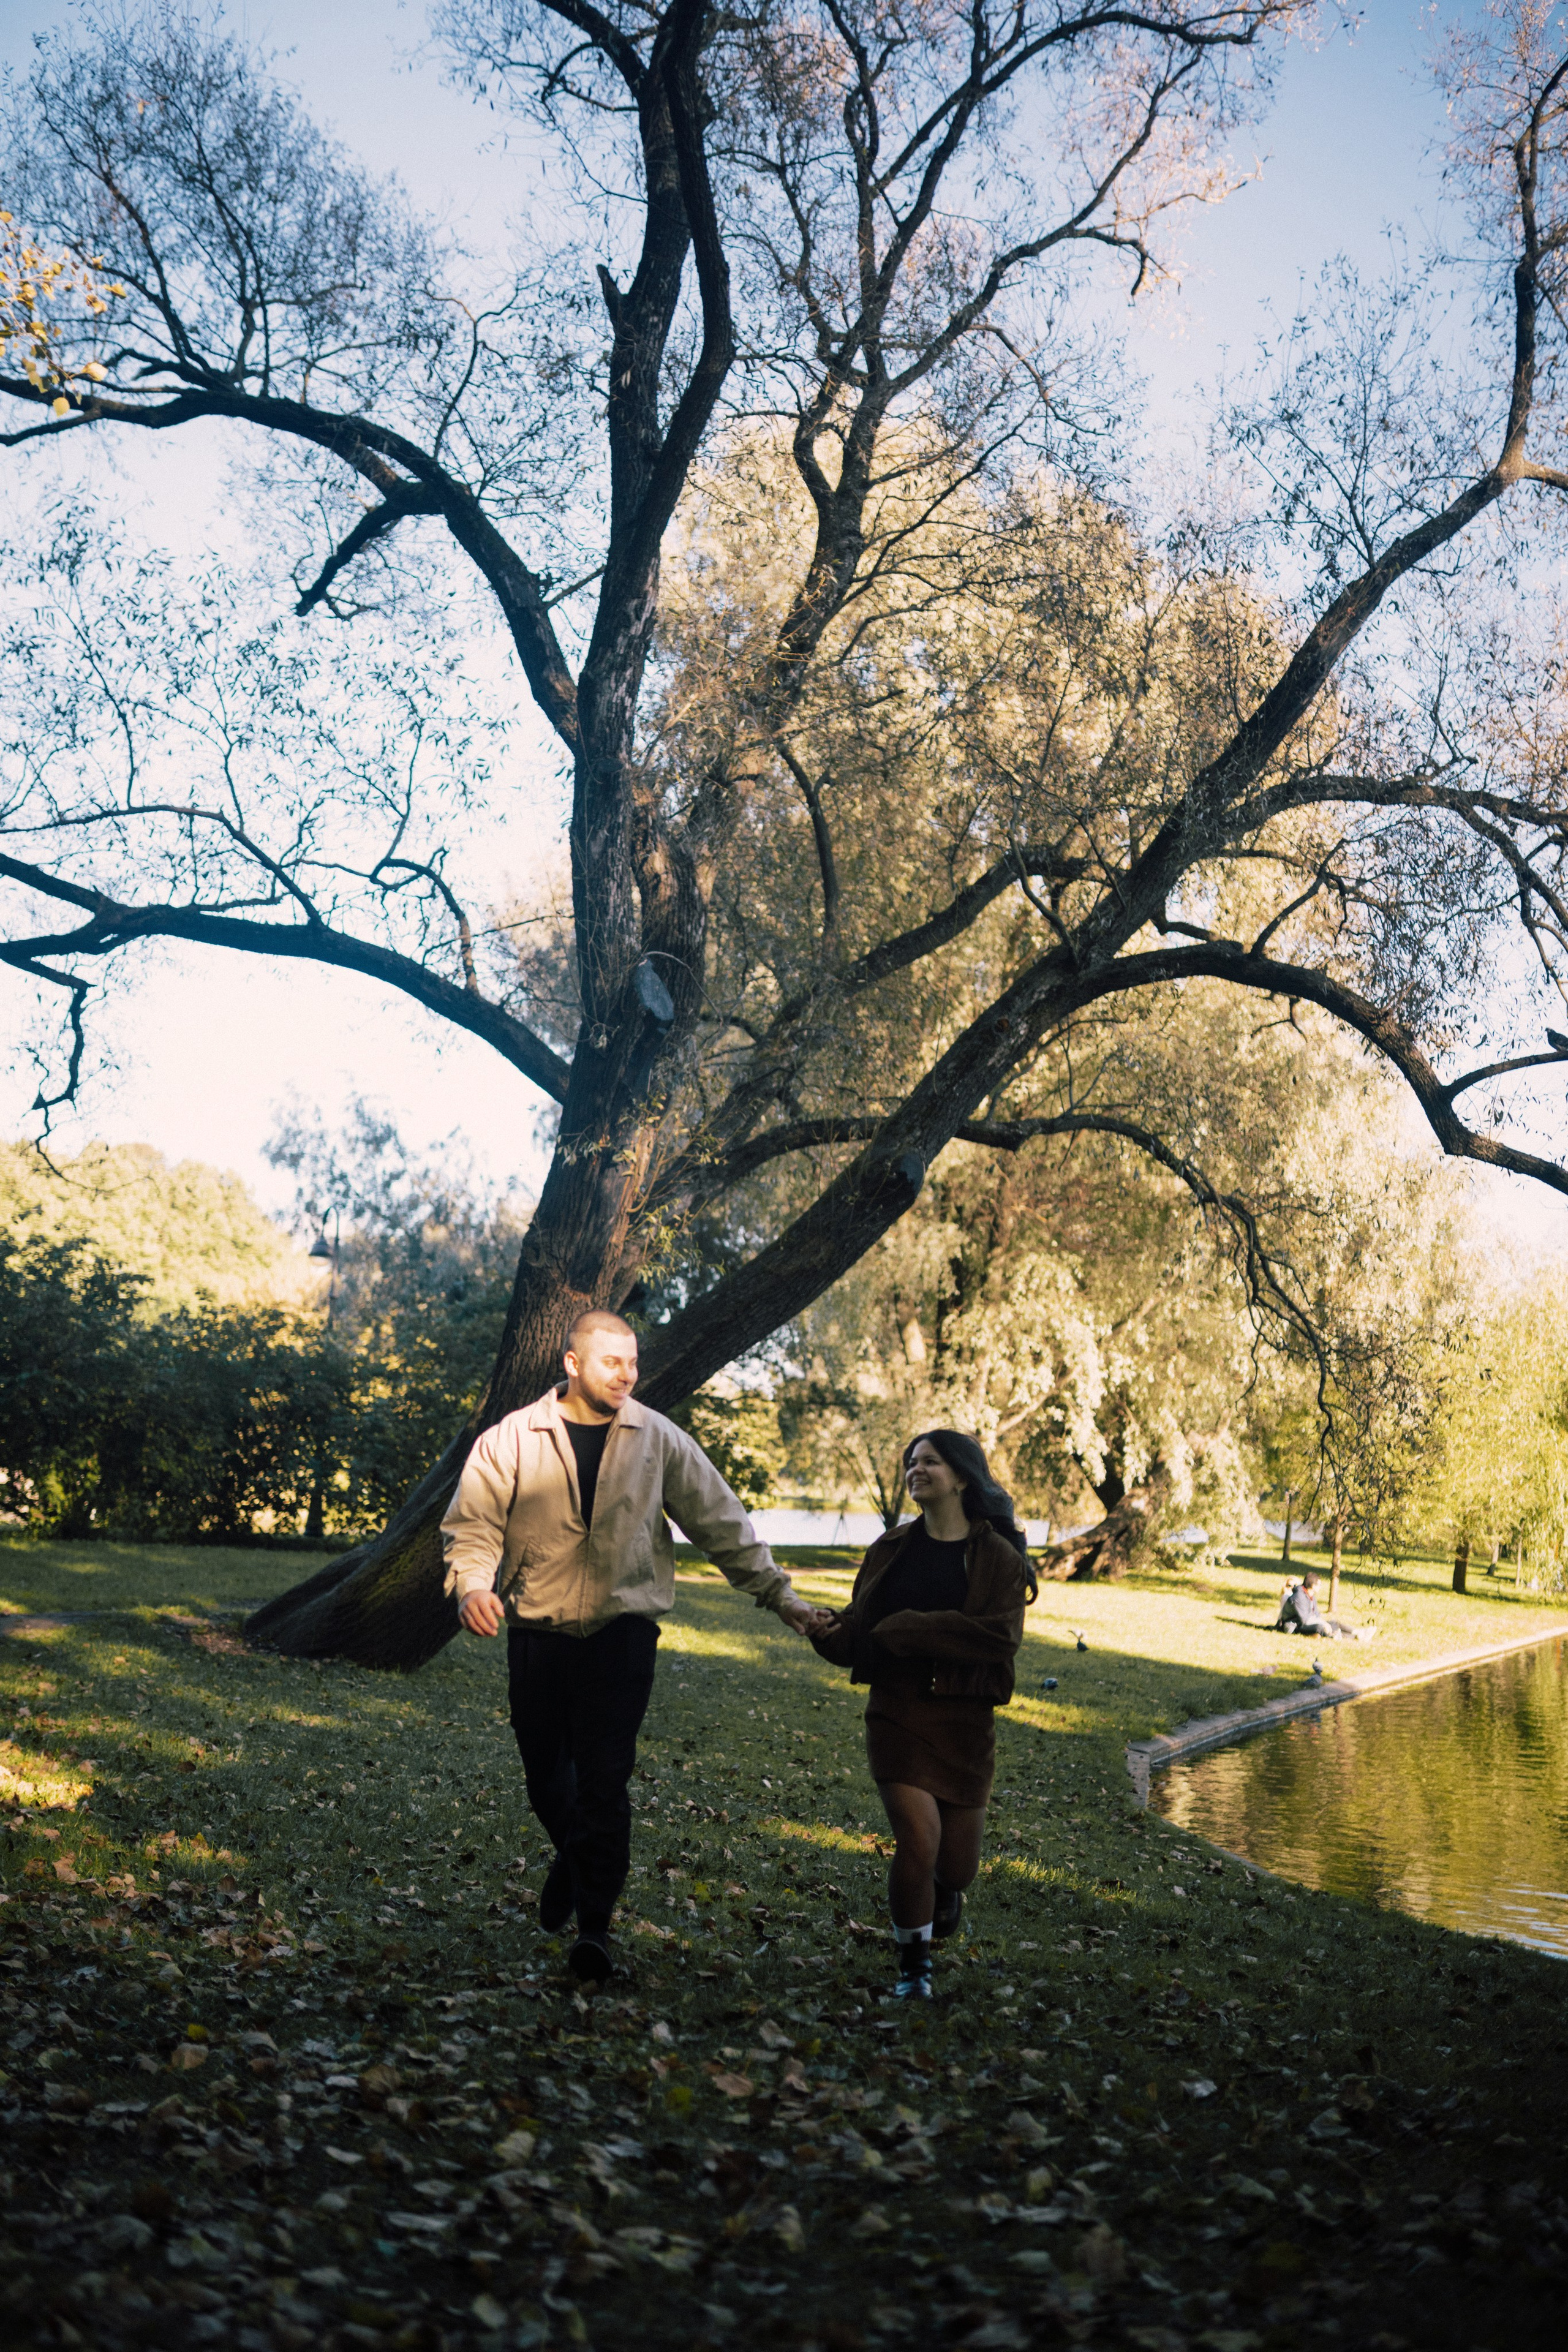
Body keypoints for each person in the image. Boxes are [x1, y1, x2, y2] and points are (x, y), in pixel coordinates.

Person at [442, 1310, 824, 1984]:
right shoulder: (513, 1438)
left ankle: (595, 1929)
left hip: (622, 1635)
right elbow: (472, 1524)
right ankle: (575, 1860)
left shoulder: (657, 1437)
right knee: (544, 1777)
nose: (628, 1374)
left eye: (633, 1363)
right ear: (572, 1363)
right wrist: (474, 1586)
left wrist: (779, 1596)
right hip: (538, 1630)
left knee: (604, 1779)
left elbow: (720, 1520)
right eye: (612, 1362)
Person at [810, 1430, 1033, 2000]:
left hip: (964, 1724)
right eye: (912, 1462)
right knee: (918, 1838)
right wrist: (827, 1634)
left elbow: (997, 1640)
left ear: (961, 1477)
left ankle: (945, 1893)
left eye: (930, 1461)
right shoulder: (891, 1549)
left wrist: (909, 1629)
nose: (917, 1469)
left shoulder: (997, 1558)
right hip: (897, 1714)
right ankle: (914, 1969)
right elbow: (864, 1637)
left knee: (956, 1868)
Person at [1275, 1570, 1366, 1640]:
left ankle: (1358, 1632)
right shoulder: (1298, 1597)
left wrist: (1326, 1623)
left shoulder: (1311, 1596)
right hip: (1294, 1627)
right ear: (1313, 1586)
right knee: (1321, 1628)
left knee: (1334, 1623)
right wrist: (1324, 1624)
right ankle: (1353, 1637)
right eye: (1319, 1585)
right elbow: (1305, 1620)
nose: (1320, 1587)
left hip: (1304, 1623)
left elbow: (1316, 1615)